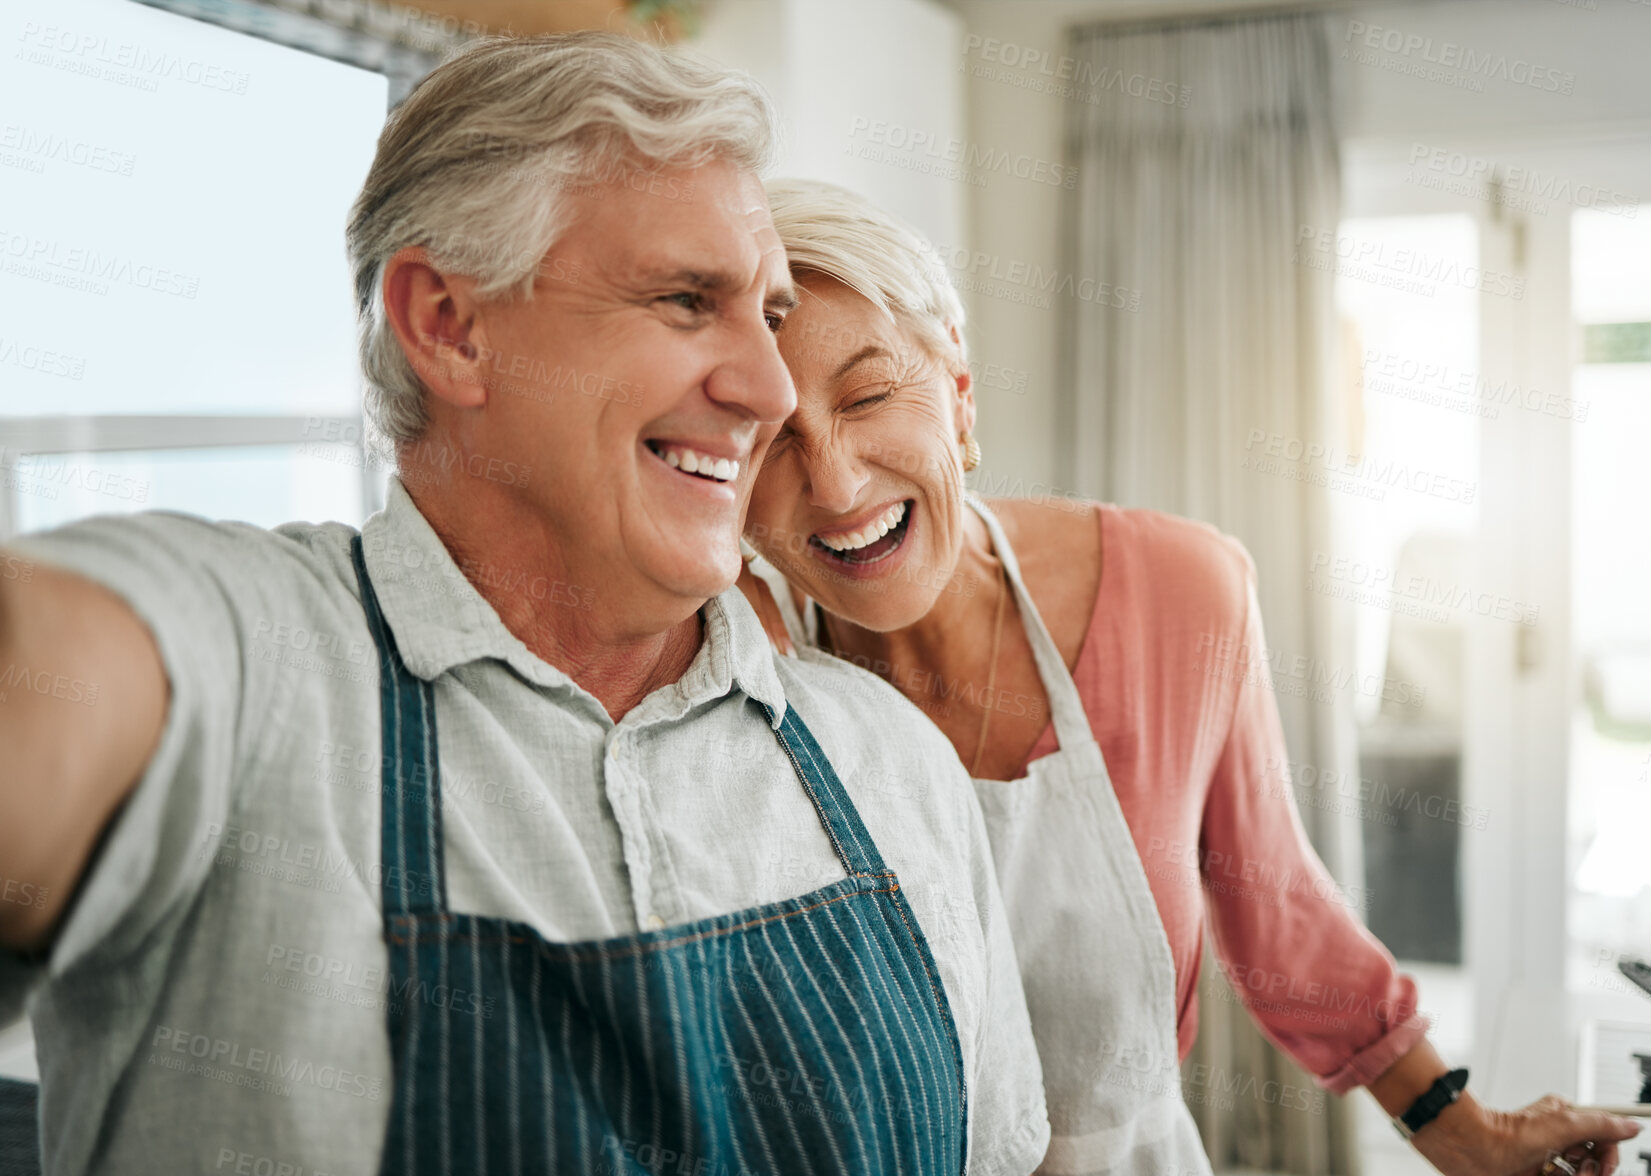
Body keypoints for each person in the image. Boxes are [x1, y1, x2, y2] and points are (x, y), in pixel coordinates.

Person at [0, 38, 1052, 1176]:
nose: (769, 387)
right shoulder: (259, 669)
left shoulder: (888, 765)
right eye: (687, 300)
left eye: (769, 311)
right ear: (448, 324)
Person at [737, 177, 1643, 1176]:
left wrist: (1466, 1134)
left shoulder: (1174, 591)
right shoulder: (740, 676)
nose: (833, 482)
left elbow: (1278, 910)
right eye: (769, 436)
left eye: (868, 397)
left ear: (957, 393)